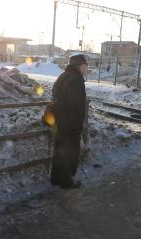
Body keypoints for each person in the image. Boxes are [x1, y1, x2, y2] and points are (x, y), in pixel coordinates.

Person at [50, 54, 87, 189]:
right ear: (80, 66)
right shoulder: (76, 80)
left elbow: (54, 95)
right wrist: (77, 125)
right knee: (70, 154)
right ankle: (66, 182)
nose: (86, 69)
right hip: (70, 124)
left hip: (59, 121)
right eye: (85, 66)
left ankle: (56, 178)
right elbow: (76, 105)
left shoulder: (62, 77)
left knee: (59, 152)